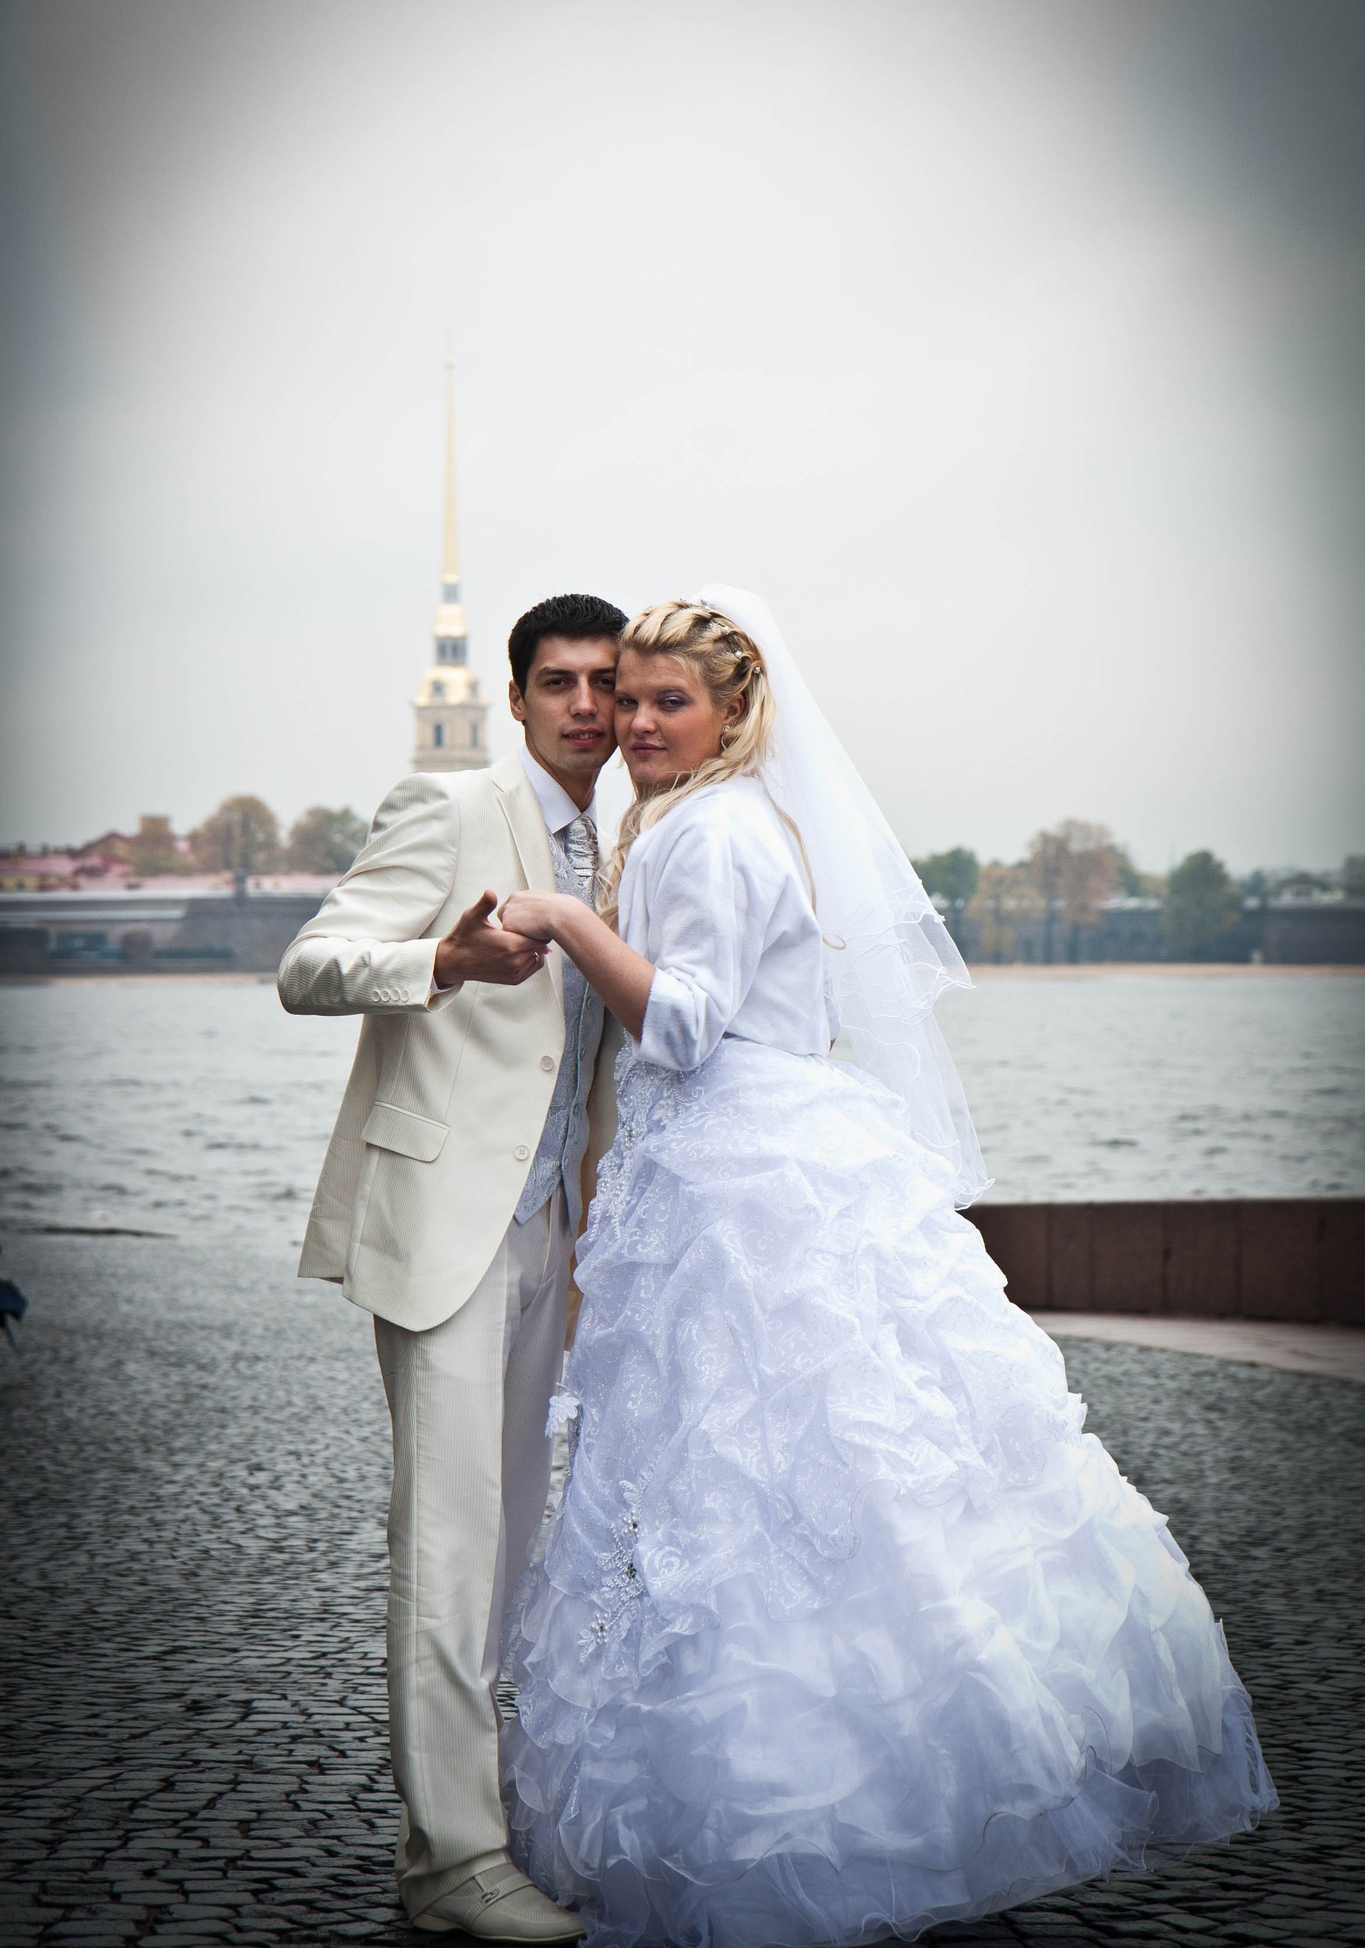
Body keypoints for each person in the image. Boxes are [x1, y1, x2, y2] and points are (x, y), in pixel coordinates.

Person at [494, 594, 1276, 1948]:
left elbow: (684, 1026)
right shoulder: (695, 819)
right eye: (629, 699)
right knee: (780, 1476)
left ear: (734, 712)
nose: (636, 723)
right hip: (733, 1169)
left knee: (762, 1477)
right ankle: (857, 1788)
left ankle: (808, 1809)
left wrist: (566, 918)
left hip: (744, 1185)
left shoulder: (714, 829)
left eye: (671, 702)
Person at [278, 593, 630, 1941]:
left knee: (515, 1543)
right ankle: (453, 1863)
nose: (587, 706)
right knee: (449, 1541)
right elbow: (309, 968)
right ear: (517, 695)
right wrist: (440, 958)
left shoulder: (624, 839)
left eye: (606, 682)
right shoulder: (447, 807)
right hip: (443, 1225)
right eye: (560, 682)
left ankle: (492, 1826)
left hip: (555, 1231)